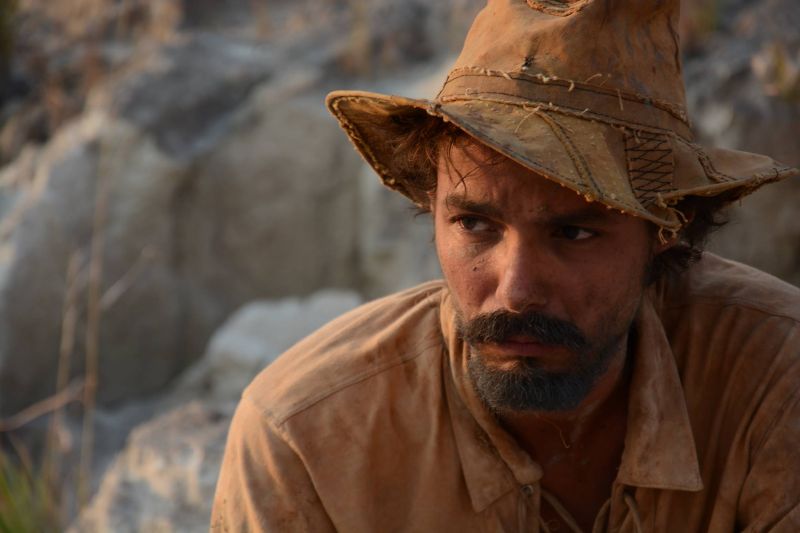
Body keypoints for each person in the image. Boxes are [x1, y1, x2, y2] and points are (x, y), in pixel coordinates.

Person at [211, 0, 800, 531]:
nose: (515, 290)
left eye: (572, 232)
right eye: (474, 225)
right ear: (432, 209)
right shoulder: (307, 437)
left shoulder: (776, 378)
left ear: (665, 232)